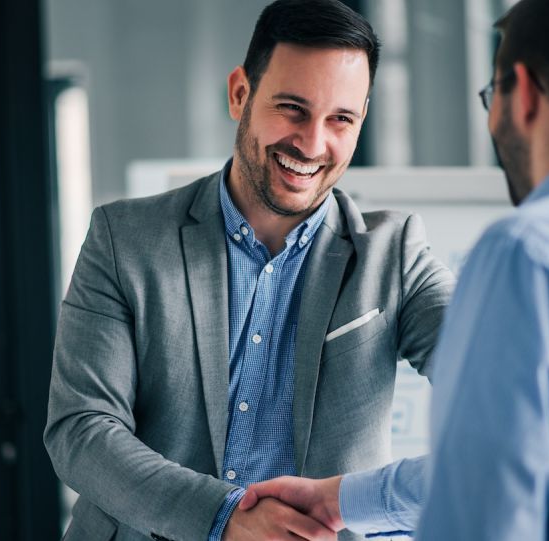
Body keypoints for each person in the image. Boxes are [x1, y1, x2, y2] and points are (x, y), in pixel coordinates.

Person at [241, 0, 549, 539]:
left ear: (522, 92)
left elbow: (482, 514)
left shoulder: (532, 253)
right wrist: (343, 500)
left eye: (491, 95)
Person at [43, 1, 455, 540]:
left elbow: (504, 388)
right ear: (241, 94)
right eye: (292, 108)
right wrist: (224, 518)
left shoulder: (395, 256)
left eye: (340, 119)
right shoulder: (125, 240)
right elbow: (82, 430)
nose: (311, 143)